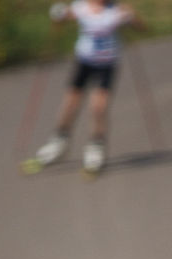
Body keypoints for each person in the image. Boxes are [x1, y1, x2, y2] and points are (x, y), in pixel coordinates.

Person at [36, 1, 146, 173]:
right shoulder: (81, 7)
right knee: (71, 102)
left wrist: (132, 18)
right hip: (84, 62)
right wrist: (59, 14)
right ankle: (58, 142)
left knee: (98, 106)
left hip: (107, 64)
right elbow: (64, 16)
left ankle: (96, 146)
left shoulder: (116, 11)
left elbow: (142, 28)